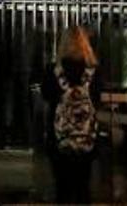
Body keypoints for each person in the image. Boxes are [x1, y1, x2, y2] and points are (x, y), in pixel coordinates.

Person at [41, 26, 100, 204]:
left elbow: (46, 95)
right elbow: (97, 99)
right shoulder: (93, 72)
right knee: (83, 187)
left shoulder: (54, 71)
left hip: (60, 138)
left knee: (62, 188)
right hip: (86, 138)